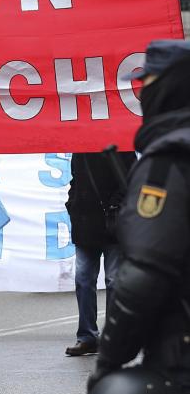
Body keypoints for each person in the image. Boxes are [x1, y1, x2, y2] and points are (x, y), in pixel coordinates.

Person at [87, 41, 190, 394]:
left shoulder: (168, 164)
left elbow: (145, 275)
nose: (141, 91)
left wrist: (109, 361)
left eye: (146, 81)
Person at [64, 150, 135, 356]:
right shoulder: (81, 150)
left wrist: (116, 206)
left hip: (112, 225)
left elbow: (132, 182)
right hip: (86, 225)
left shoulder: (122, 149)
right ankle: (87, 337)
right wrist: (73, 205)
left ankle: (113, 336)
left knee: (113, 281)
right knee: (84, 279)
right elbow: (76, 180)